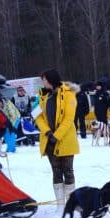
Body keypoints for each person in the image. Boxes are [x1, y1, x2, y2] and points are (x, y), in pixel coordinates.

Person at [35, 69, 80, 207]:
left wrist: (57, 135)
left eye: (44, 80)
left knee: (68, 170)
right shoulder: (42, 96)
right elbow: (38, 116)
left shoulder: (68, 94)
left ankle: (71, 204)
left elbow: (68, 118)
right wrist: (48, 132)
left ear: (51, 80)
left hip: (65, 139)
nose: (43, 82)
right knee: (56, 171)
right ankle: (60, 205)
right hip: (49, 139)